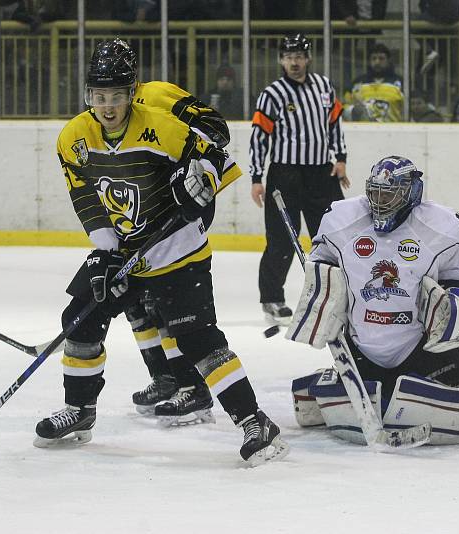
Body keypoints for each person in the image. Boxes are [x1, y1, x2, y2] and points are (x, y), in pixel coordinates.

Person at [38, 42, 289, 466]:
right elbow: (85, 197)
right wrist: (105, 252)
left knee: (198, 340)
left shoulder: (162, 126)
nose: (109, 106)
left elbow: (217, 159)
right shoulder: (73, 137)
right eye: (100, 97)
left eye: (117, 96)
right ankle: (80, 411)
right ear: (88, 96)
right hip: (126, 250)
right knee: (79, 319)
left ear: (130, 92)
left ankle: (255, 421)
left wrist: (199, 183)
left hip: (178, 252)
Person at [283, 156, 459, 447]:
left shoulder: (440, 225)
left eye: (390, 193)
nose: (380, 201)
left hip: (422, 346)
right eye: (375, 192)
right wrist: (322, 285)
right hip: (361, 345)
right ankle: (362, 381)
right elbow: (321, 260)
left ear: (412, 191)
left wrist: (455, 300)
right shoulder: (341, 219)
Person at [86, 38, 235, 425]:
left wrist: (185, 168)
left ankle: (192, 386)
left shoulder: (158, 94)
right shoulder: (103, 110)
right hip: (138, 212)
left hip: (182, 206)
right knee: (135, 299)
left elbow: (216, 128)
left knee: (162, 297)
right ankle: (165, 377)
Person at [249, 33, 349, 325]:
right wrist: (256, 177)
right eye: (288, 56)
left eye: (299, 56)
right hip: (285, 175)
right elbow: (259, 137)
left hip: (322, 173)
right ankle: (272, 299)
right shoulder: (273, 93)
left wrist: (340, 159)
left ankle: (337, 293)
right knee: (280, 240)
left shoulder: (323, 87)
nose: (294, 62)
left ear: (307, 58)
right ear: (281, 59)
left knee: (332, 236)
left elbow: (335, 124)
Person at [344, 42, 404, 122]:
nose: (377, 62)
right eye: (374, 58)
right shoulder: (357, 83)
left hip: (392, 131)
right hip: (364, 131)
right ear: (369, 61)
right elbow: (346, 108)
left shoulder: (400, 82)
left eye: (381, 58)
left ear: (388, 60)